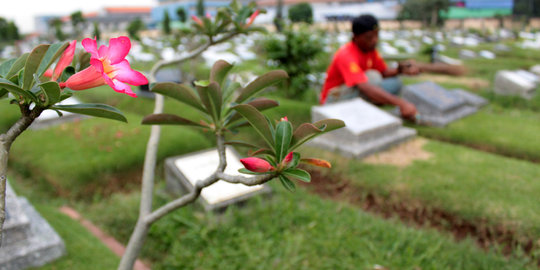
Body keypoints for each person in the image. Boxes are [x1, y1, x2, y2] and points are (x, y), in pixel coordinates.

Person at [320, 14, 419, 120]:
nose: (374, 40)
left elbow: (384, 72)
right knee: (373, 78)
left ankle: (365, 111)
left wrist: (399, 70)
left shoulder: (369, 50)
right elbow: (365, 86)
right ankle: (358, 113)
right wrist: (401, 103)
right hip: (333, 101)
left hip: (354, 92)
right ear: (355, 36)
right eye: (369, 37)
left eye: (376, 35)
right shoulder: (346, 55)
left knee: (395, 82)